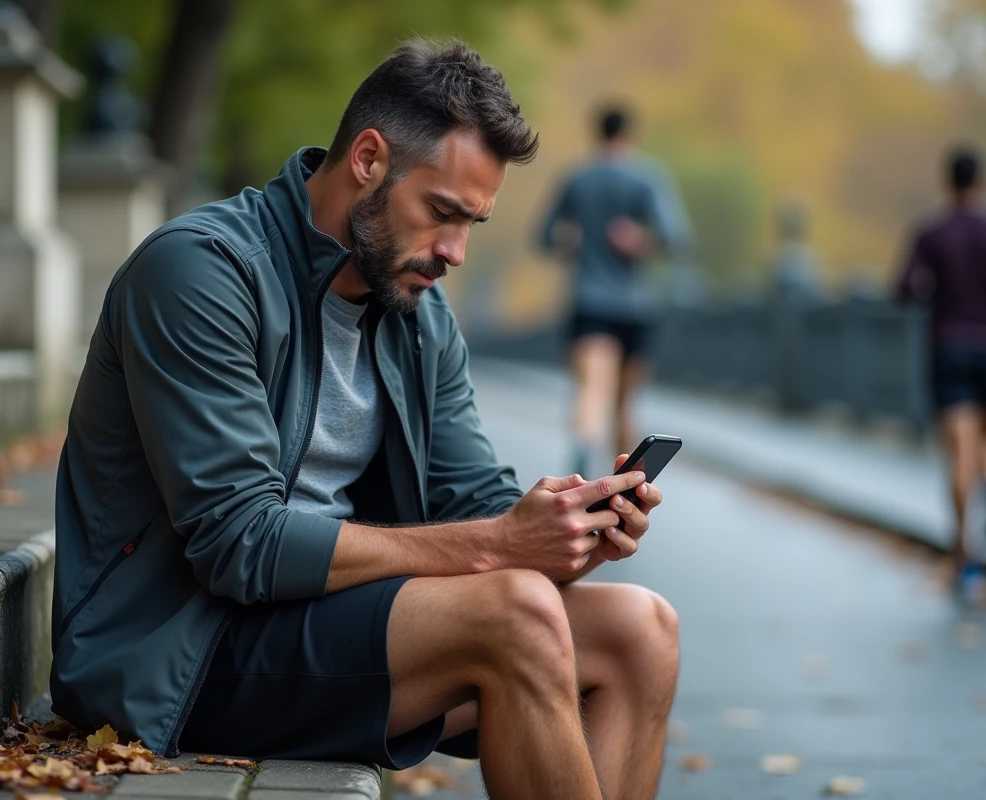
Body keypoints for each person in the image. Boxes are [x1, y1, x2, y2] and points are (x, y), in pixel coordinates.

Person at [50, 40, 679, 800]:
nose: (454, 250)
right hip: (178, 655)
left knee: (642, 631)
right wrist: (502, 546)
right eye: (442, 213)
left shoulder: (419, 315)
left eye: (474, 222)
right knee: (516, 616)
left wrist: (568, 535)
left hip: (326, 628)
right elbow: (240, 544)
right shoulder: (200, 272)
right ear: (370, 159)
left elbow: (471, 502)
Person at [896, 145, 986, 592]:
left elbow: (904, 288)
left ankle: (966, 556)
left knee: (959, 453)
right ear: (982, 181)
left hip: (949, 347)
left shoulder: (931, 232)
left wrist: (934, 288)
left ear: (948, 182)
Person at [539, 105, 692, 477]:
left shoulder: (577, 179)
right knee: (625, 404)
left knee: (593, 388)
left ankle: (582, 450)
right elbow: (676, 236)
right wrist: (640, 240)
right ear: (630, 134)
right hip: (635, 305)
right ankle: (629, 483)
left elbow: (546, 236)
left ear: (597, 133)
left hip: (589, 299)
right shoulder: (647, 178)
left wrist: (575, 244)